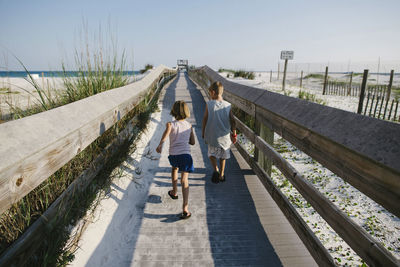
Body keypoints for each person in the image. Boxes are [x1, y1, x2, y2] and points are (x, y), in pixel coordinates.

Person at [156, 100, 195, 219]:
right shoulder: (189, 126)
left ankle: (174, 191)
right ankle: (185, 208)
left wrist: (160, 145)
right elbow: (192, 142)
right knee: (184, 179)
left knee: (174, 169)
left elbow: (165, 136)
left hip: (173, 155)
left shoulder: (170, 124)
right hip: (185, 156)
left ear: (174, 111)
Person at [202, 81, 237, 183]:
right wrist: (234, 134)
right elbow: (233, 121)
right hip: (224, 138)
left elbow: (205, 118)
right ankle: (221, 174)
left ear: (213, 92)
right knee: (223, 157)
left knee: (212, 155)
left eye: (210, 93)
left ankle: (215, 169)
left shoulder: (209, 104)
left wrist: (203, 132)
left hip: (212, 136)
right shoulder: (228, 105)